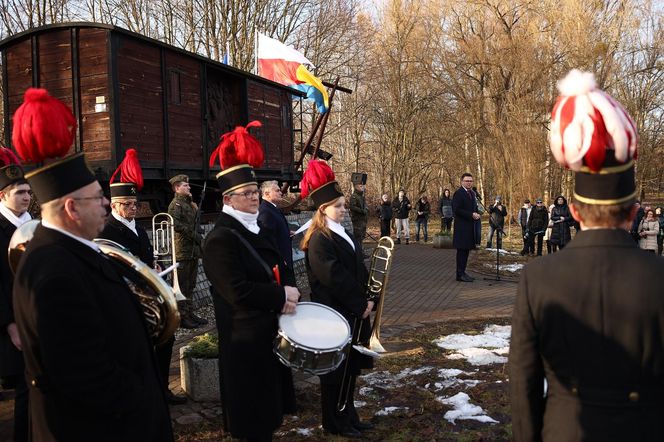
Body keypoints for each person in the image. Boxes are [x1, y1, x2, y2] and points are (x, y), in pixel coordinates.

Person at [510, 69, 664, 441]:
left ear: (575, 212)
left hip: (565, 431)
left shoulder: (538, 276)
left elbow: (523, 381)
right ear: (633, 212)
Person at [10, 88, 173, 441]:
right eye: (98, 198)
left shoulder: (72, 251)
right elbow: (83, 375)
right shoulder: (53, 272)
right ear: (71, 208)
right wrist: (143, 398)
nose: (105, 206)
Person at [203, 121, 300, 440]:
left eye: (256, 191)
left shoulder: (255, 227)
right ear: (228, 199)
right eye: (247, 194)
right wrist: (280, 296)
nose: (255, 197)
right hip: (243, 343)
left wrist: (291, 287)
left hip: (266, 334)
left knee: (268, 418)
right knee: (252, 422)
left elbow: (279, 263)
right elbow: (236, 291)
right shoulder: (221, 238)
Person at [99, 150, 186, 406]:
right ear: (114, 205)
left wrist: (155, 267)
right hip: (127, 298)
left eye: (135, 204)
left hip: (149, 296)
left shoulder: (138, 227)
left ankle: (161, 388)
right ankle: (139, 392)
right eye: (127, 204)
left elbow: (144, 258)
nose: (133, 208)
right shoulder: (107, 229)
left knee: (164, 339)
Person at [300, 160, 374, 438]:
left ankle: (349, 415)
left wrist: (370, 297)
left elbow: (357, 268)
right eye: (339, 206)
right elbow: (334, 278)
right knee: (335, 373)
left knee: (350, 369)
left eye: (343, 205)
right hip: (333, 315)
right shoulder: (319, 238)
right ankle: (334, 421)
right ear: (323, 209)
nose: (344, 210)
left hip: (352, 312)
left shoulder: (341, 232)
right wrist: (359, 304)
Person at [0, 147, 30, 442]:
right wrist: (8, 323)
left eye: (28, 191)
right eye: (19, 191)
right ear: (2, 196)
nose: (26, 196)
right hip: (12, 321)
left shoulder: (34, 224)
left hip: (37, 315)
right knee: (23, 391)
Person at [168, 174, 207, 329]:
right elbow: (175, 224)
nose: (189, 187)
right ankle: (182, 317)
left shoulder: (189, 204)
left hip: (192, 250)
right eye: (185, 185)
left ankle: (189, 313)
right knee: (182, 286)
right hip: (182, 250)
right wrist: (193, 234)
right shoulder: (176, 204)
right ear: (177, 188)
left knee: (191, 284)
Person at [258, 180, 294, 270]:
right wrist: (280, 261)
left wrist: (286, 234)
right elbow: (267, 242)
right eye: (277, 191)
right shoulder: (265, 212)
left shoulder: (274, 208)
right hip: (279, 265)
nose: (281, 193)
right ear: (267, 193)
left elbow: (274, 233)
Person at [452, 173, 479, 282]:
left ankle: (463, 272)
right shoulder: (458, 194)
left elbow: (474, 207)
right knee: (461, 251)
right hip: (461, 228)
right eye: (467, 181)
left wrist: (477, 213)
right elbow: (457, 209)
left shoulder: (472, 193)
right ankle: (459, 274)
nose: (469, 183)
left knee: (466, 251)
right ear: (462, 182)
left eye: (470, 181)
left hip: (470, 227)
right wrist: (470, 214)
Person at [349, 173, 368, 244]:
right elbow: (352, 207)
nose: (363, 187)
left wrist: (366, 210)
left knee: (362, 237)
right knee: (357, 237)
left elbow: (364, 205)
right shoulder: (354, 196)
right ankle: (358, 253)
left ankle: (360, 251)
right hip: (357, 221)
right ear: (356, 187)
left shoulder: (362, 196)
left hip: (363, 220)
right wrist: (362, 211)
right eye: (361, 186)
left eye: (363, 186)